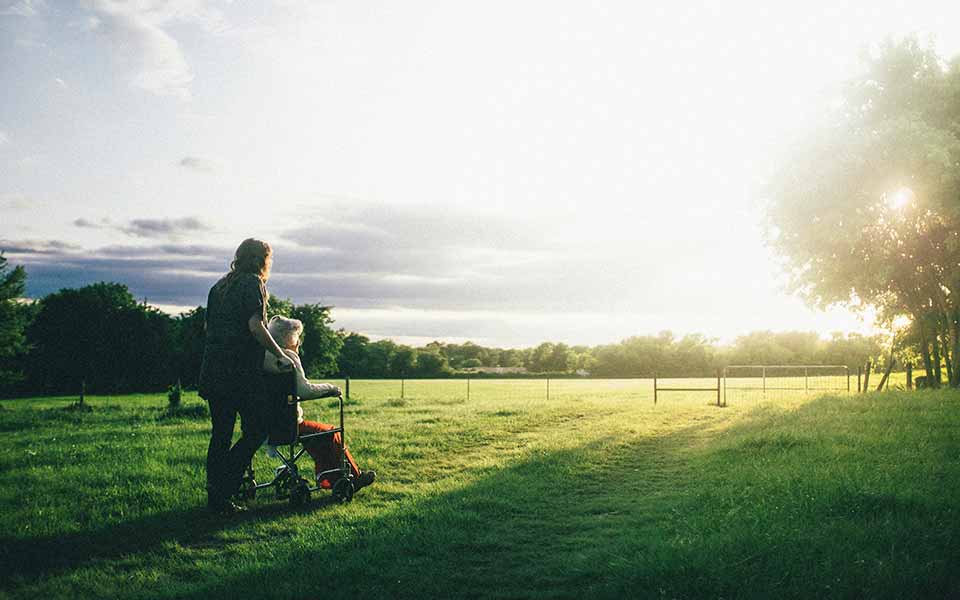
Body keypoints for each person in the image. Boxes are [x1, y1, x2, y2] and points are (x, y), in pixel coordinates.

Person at [198, 238, 294, 514]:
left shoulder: (219, 287)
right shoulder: (253, 283)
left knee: (221, 435)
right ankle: (223, 485)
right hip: (238, 374)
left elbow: (208, 327)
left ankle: (216, 498)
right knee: (258, 429)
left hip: (213, 370)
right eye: (269, 259)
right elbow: (256, 326)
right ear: (260, 259)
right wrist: (279, 354)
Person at [263, 316, 376, 491]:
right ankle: (354, 476)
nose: (298, 341)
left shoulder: (262, 356)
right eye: (296, 336)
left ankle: (328, 479)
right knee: (330, 432)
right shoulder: (287, 357)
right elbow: (305, 391)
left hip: (264, 425)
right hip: (288, 424)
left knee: (317, 435)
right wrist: (331, 388)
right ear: (288, 337)